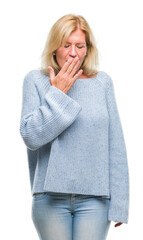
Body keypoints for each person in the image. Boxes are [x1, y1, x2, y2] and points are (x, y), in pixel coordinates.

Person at [19, 14, 129, 240]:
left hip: (95, 199)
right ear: (54, 48)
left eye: (80, 46)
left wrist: (120, 202)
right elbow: (31, 137)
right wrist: (57, 93)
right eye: (66, 45)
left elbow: (115, 144)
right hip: (49, 199)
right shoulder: (35, 81)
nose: (73, 53)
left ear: (87, 49)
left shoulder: (102, 83)